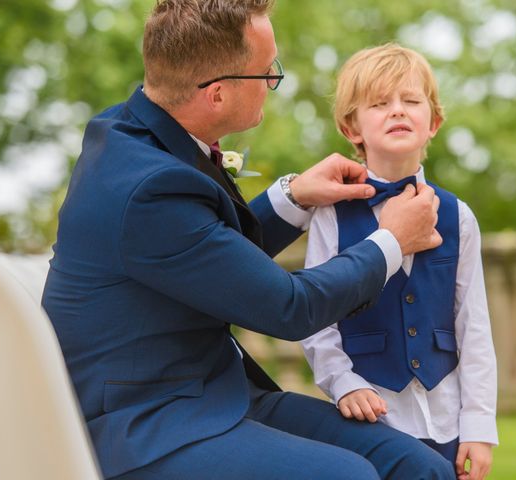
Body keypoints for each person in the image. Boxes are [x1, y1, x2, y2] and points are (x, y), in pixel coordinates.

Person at [42, 1, 456, 479]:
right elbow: (289, 307)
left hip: (217, 392)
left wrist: (293, 196)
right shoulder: (146, 186)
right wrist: (392, 240)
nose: (274, 83)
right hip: (149, 424)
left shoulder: (137, 132)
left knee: (418, 467)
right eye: (266, 74)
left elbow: (210, 260)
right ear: (216, 94)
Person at [301, 43, 498, 480]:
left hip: (445, 414)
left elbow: (474, 325)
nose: (398, 111)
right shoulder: (331, 216)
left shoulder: (458, 216)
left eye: (411, 101)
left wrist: (479, 426)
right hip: (370, 414)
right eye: (380, 103)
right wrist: (342, 383)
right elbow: (317, 318)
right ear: (351, 127)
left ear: (434, 123)